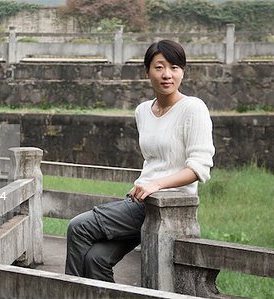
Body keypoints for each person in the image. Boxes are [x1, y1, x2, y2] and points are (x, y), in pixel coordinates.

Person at [65, 39, 215, 282]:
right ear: (147, 71)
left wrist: (157, 184)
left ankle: (66, 292)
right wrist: (148, 183)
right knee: (96, 260)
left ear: (183, 72)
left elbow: (199, 167)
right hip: (140, 202)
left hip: (169, 205)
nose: (167, 74)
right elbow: (154, 161)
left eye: (174, 67)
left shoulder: (193, 108)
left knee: (78, 226)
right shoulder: (143, 111)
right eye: (159, 67)